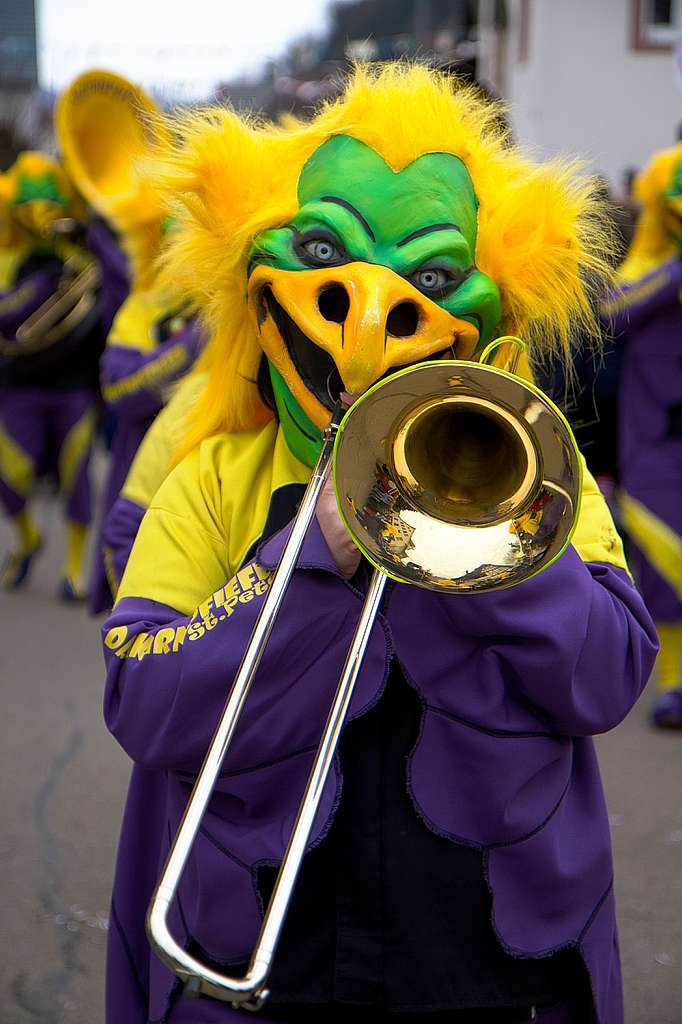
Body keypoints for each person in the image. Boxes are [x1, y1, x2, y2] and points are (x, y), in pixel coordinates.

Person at [101, 65, 657, 1023]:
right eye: (326, 253)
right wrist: (310, 555)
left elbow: (607, 677)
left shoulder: (539, 457)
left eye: (432, 277)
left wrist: (487, 529)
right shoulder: (211, 476)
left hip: (484, 968)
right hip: (264, 956)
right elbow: (146, 703)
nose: (371, 314)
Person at [601, 142, 682, 728]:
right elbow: (611, 310)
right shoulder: (650, 269)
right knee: (661, 560)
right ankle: (677, 685)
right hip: (655, 444)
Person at [0, 152, 104, 598]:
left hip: (74, 386)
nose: (40, 209)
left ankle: (75, 568)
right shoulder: (8, 256)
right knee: (8, 476)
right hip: (19, 384)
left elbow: (107, 299)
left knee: (77, 476)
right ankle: (26, 539)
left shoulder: (82, 253)